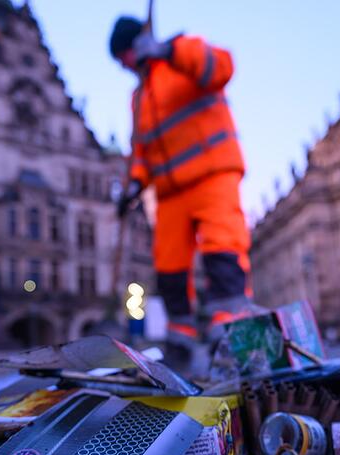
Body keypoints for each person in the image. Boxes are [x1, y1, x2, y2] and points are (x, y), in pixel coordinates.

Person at [110, 16, 261, 373]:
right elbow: (142, 150)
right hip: (169, 193)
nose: (124, 65)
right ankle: (180, 343)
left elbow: (222, 67)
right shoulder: (139, 97)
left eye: (124, 56)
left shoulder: (182, 54)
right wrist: (134, 183)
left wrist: (169, 50)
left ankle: (232, 335)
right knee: (170, 268)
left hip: (212, 174)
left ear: (138, 44)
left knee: (222, 250)